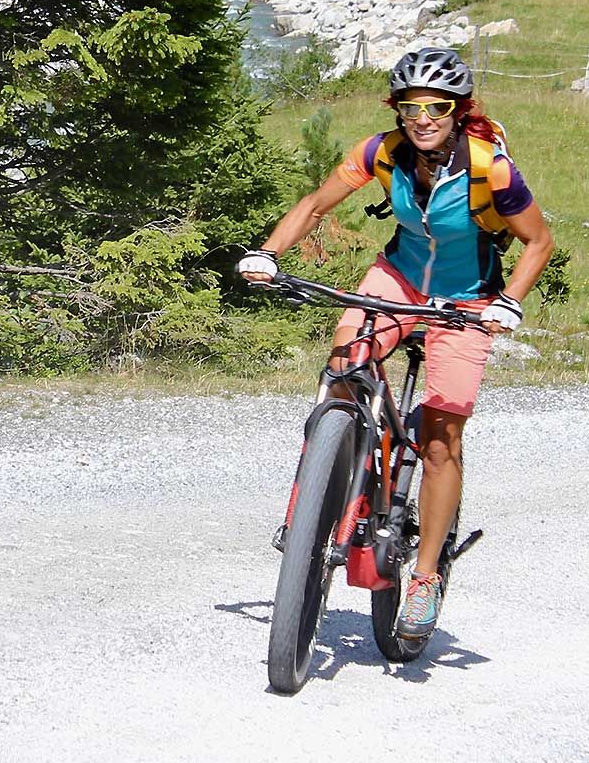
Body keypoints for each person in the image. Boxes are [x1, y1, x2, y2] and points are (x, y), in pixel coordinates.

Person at [237, 47, 553, 640]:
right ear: (399, 110)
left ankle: (427, 576)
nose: (423, 118)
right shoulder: (380, 153)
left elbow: (538, 241)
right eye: (411, 107)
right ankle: (319, 495)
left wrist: (508, 301)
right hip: (399, 276)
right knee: (343, 370)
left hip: (468, 298)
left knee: (440, 438)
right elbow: (314, 204)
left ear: (458, 110)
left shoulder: (492, 169)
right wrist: (268, 252)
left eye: (436, 107)